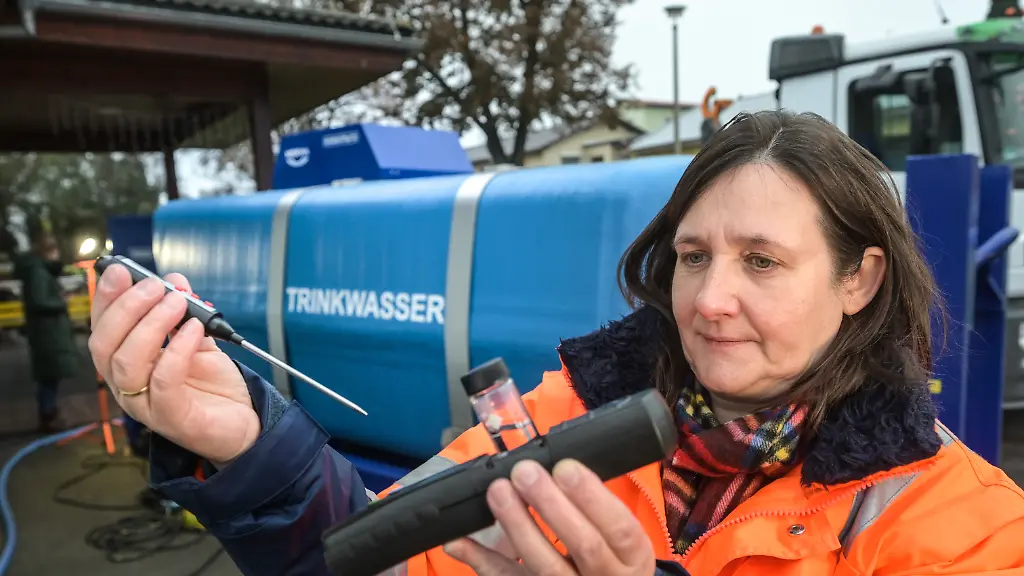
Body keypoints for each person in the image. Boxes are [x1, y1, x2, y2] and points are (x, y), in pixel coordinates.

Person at [88, 110, 1024, 576]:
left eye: (763, 261)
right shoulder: (563, 414)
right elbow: (383, 556)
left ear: (859, 279)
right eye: (693, 256)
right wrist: (251, 446)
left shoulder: (967, 528)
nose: (711, 300)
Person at [15, 229, 79, 433]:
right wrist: (61, 302)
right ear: (48, 251)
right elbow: (40, 301)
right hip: (48, 334)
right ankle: (48, 417)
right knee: (49, 378)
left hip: (45, 333)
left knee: (49, 377)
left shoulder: (37, 271)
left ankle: (49, 414)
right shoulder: (39, 272)